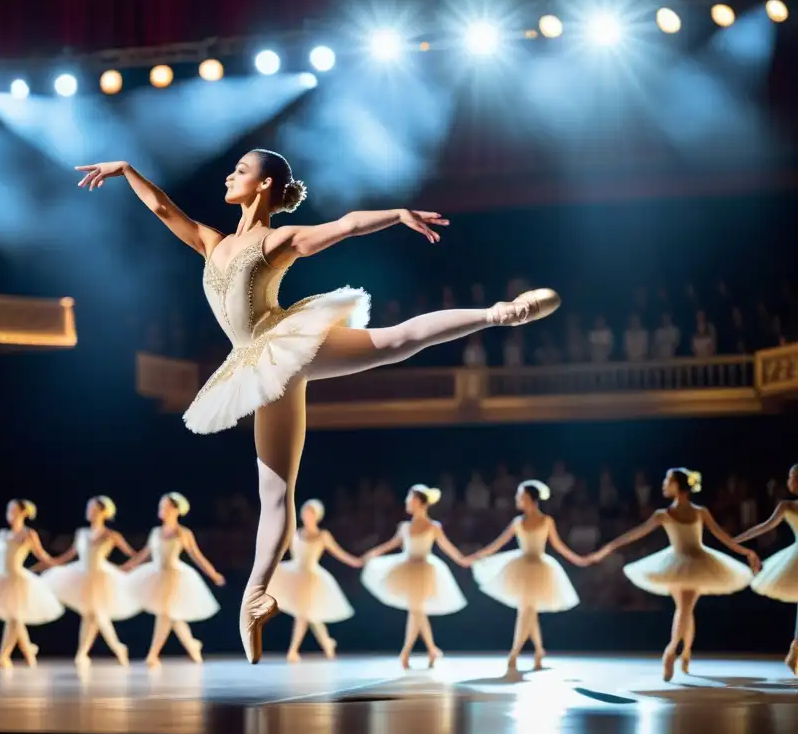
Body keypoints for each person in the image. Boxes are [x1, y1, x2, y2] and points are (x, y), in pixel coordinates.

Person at [75, 151, 560, 662]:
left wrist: (396, 215)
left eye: (239, 170)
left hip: (283, 343)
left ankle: (500, 313)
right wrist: (128, 171)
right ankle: (256, 596)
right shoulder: (212, 242)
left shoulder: (276, 241)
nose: (227, 174)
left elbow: (346, 225)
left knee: (395, 340)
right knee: (274, 492)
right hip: (258, 365)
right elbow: (162, 210)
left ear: (263, 185)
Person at [587, 469, 760, 681]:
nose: (664, 485)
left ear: (678, 485)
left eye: (668, 481)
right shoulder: (663, 514)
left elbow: (723, 537)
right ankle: (680, 651)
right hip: (676, 563)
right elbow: (635, 534)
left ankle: (675, 651)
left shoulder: (700, 512)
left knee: (685, 608)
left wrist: (747, 552)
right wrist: (608, 548)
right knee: (685, 609)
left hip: (698, 563)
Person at [466, 480, 586, 674]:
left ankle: (515, 653)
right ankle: (538, 651)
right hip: (521, 568)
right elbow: (496, 545)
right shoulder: (518, 522)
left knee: (527, 611)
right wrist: (476, 556)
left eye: (520, 496)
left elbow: (559, 546)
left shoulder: (547, 521)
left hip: (539, 568)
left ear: (529, 499)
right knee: (528, 611)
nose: (517, 499)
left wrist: (578, 559)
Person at [360, 485, 468, 669]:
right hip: (407, 569)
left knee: (416, 610)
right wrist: (373, 553)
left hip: (424, 571)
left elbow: (447, 547)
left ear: (418, 502)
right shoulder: (405, 527)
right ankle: (431, 650)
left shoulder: (433, 526)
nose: (406, 502)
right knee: (418, 611)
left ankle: (406, 652)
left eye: (410, 498)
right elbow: (391, 544)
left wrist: (462, 559)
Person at [120, 493, 225, 667]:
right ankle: (192, 645)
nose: (162, 509)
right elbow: (144, 554)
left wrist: (213, 573)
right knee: (173, 616)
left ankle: (152, 654)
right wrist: (127, 567)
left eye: (166, 506)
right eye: (161, 506)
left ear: (176, 510)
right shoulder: (155, 532)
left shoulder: (183, 533)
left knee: (166, 613)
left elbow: (197, 556)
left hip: (175, 576)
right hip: (156, 575)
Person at [38, 495, 141, 667]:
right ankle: (85, 653)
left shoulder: (111, 535)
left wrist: (126, 568)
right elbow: (70, 554)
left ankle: (114, 648)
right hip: (83, 575)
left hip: (101, 576)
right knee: (90, 615)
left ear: (102, 512)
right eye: (88, 508)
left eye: (92, 508)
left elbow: (133, 555)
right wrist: (50, 564)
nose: (88, 511)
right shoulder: (81, 533)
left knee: (97, 614)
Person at [0, 499, 65, 669]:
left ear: (22, 513)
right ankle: (29, 653)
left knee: (15, 618)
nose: (9, 514)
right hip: (1, 577)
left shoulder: (29, 534)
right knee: (15, 618)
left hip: (18, 579)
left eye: (13, 510)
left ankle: (3, 656)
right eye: (9, 510)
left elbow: (43, 556)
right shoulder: (2, 534)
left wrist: (60, 563)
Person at [267, 498, 362, 662]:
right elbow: (280, 550)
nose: (307, 515)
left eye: (311, 512)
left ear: (317, 516)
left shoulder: (323, 535)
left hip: (311, 577)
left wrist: (355, 561)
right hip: (295, 575)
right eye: (305, 511)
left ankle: (293, 650)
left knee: (303, 614)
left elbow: (338, 553)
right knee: (311, 615)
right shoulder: (294, 533)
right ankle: (327, 643)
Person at [734, 463, 798, 675]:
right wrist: (737, 541)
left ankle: (794, 652)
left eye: (791, 477)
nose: (788, 481)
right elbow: (764, 527)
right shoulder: (787, 506)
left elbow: (764, 527)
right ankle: (794, 652)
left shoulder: (787, 506)